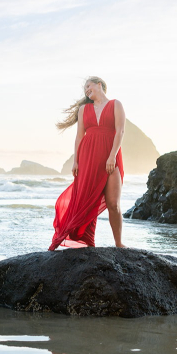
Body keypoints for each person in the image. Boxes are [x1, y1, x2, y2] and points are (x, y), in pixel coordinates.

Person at [50, 77, 125, 250]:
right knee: (87, 201)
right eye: (85, 89)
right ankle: (88, 242)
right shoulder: (84, 109)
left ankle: (119, 243)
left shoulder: (116, 104)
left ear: (100, 85)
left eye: (88, 86)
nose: (86, 90)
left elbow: (120, 131)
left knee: (113, 204)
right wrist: (76, 161)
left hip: (110, 154)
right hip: (88, 158)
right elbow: (79, 136)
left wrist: (112, 156)